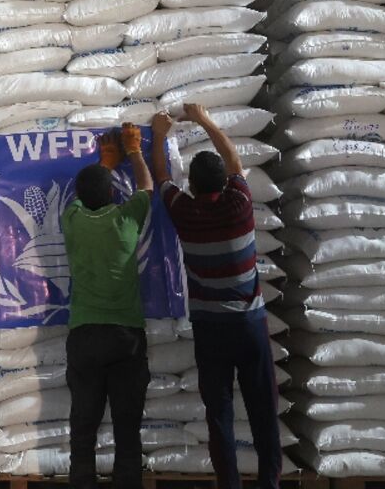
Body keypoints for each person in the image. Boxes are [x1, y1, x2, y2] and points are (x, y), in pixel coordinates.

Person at [150, 104, 280, 489]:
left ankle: (229, 484)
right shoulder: (240, 205)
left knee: (219, 414)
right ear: (224, 183)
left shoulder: (185, 213)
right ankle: (270, 482)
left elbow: (160, 177)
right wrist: (203, 119)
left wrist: (159, 135)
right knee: (263, 411)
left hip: (211, 331)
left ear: (190, 185)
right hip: (250, 326)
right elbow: (233, 158)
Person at [61, 123, 154, 489]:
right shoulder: (126, 219)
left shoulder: (71, 220)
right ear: (115, 193)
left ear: (80, 197)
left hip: (84, 336)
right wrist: (133, 151)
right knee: (127, 429)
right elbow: (146, 187)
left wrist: (105, 162)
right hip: (125, 337)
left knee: (83, 427)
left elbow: (92, 192)